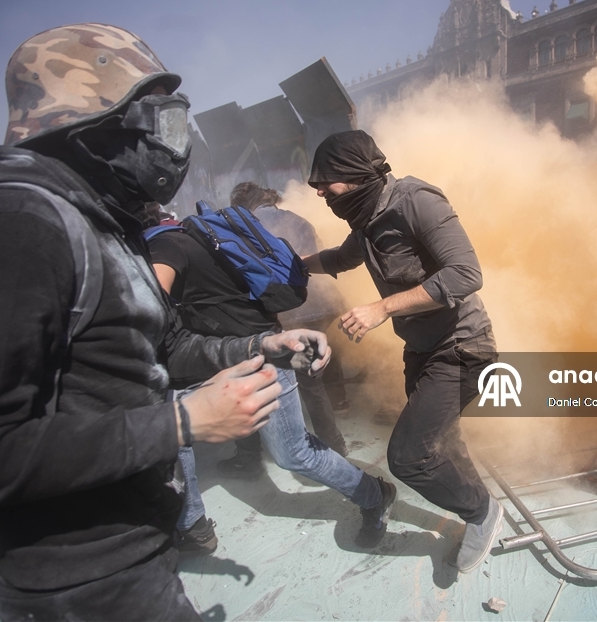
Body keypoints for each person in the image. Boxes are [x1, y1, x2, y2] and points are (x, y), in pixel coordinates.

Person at [0, 23, 331, 622]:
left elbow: (162, 345)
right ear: (92, 128)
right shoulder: (8, 227)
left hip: (138, 557)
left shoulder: (99, 224)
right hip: (79, 584)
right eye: (157, 123)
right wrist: (180, 422)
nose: (171, 147)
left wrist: (265, 342)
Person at [146, 196, 397, 550]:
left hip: (255, 353)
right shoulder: (191, 231)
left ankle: (375, 494)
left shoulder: (162, 245)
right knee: (171, 430)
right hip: (240, 350)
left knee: (293, 453)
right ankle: (193, 524)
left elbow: (145, 310)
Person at [303, 130, 503, 574]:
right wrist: (296, 265)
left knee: (408, 458)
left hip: (462, 348)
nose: (319, 191)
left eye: (325, 180)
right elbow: (341, 259)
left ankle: (481, 513)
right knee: (442, 441)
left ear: (354, 176)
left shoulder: (415, 200)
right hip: (422, 351)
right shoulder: (367, 219)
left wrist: (382, 308)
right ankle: (475, 497)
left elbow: (466, 274)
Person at [228, 182, 349, 456]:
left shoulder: (249, 223)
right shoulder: (299, 219)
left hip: (294, 308)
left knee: (307, 380)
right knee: (323, 357)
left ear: (241, 204)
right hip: (325, 301)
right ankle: (341, 402)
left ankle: (333, 446)